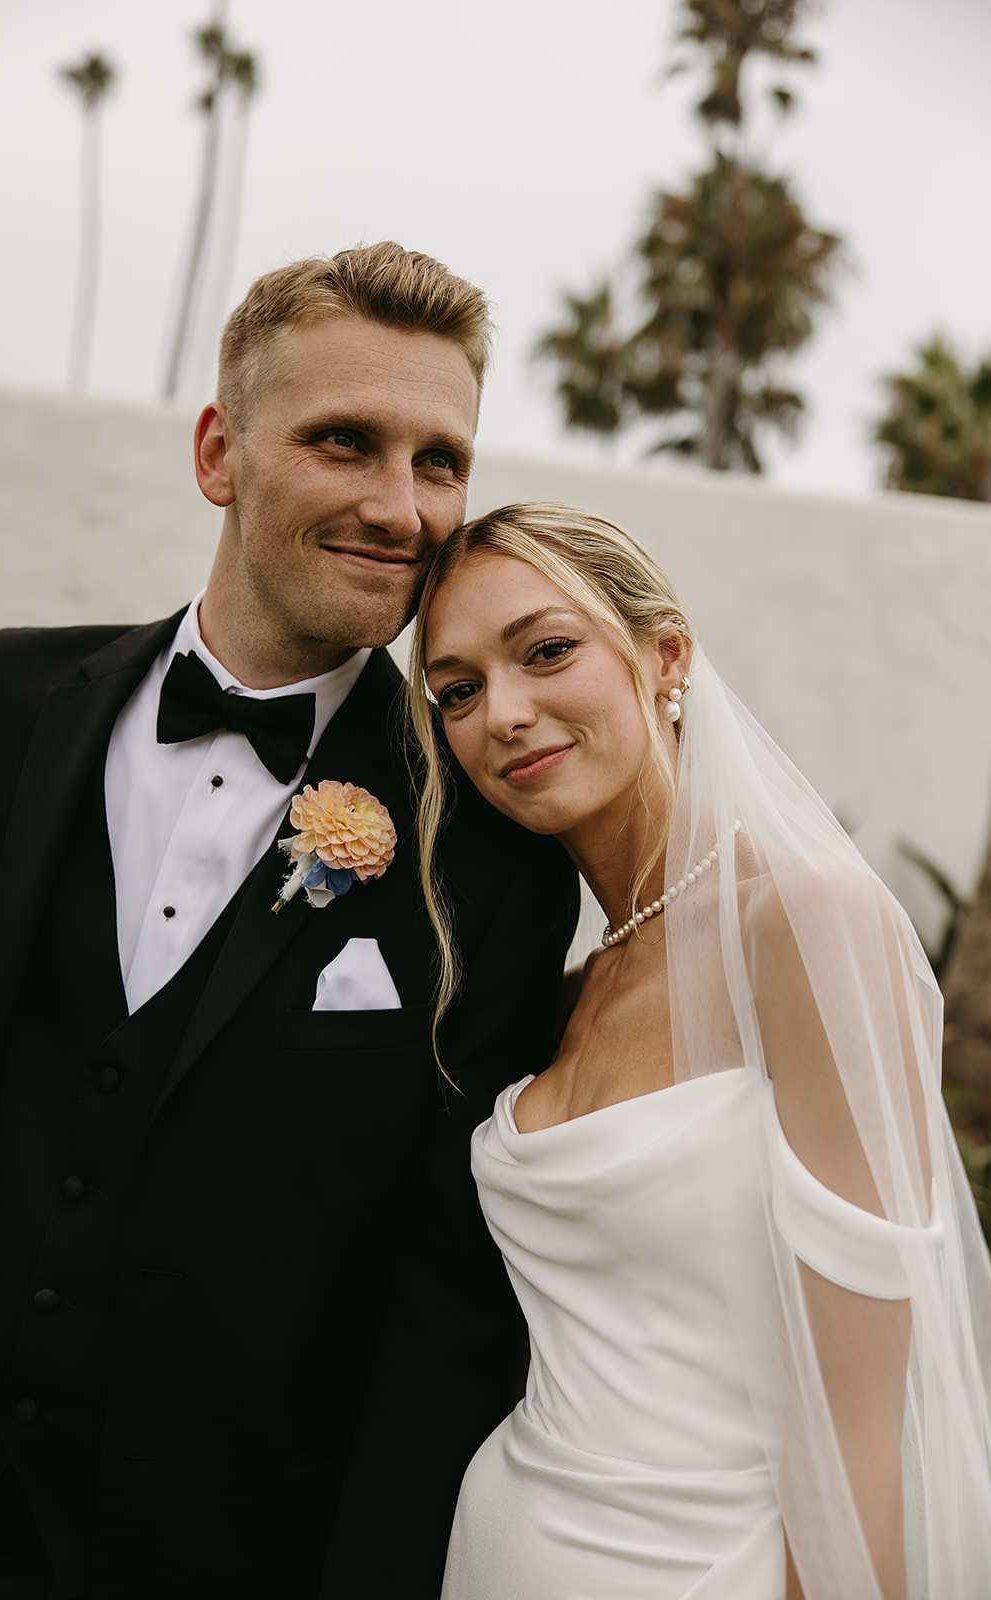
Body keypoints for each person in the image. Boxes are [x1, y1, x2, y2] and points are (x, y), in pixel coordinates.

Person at [0, 251, 579, 1599]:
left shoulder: (493, 853)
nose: (399, 507)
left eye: (438, 461)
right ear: (220, 452)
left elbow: (446, 1304)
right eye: (344, 441)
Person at [407, 501, 991, 1600]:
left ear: (663, 654)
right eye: (458, 690)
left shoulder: (806, 925)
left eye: (544, 651)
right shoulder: (566, 991)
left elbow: (865, 1415)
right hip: (501, 1551)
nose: (504, 713)